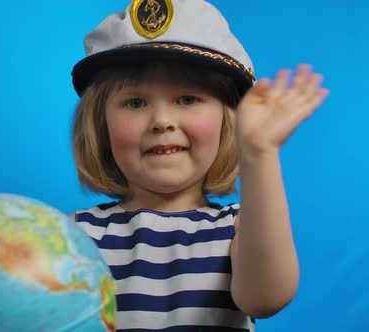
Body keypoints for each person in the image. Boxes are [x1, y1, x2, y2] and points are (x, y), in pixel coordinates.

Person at [68, 0, 328, 331]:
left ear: (228, 121)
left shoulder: (241, 229)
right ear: (99, 124)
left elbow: (266, 298)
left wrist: (260, 153)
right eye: (135, 102)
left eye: (188, 99)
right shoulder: (67, 237)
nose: (162, 121)